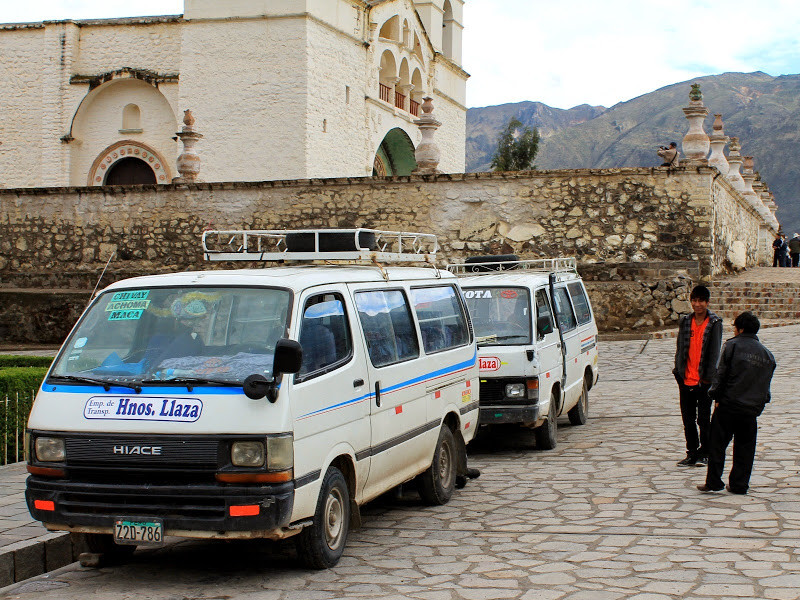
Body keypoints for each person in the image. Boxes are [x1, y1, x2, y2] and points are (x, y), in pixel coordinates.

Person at [697, 312, 776, 494]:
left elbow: (721, 374)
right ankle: (739, 485)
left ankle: (714, 482)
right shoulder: (768, 355)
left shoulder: (731, 346)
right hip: (750, 410)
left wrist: (715, 396)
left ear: (739, 329)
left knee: (717, 445)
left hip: (728, 406)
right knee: (745, 449)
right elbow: (766, 387)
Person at [673, 285, 723, 467]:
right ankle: (691, 452)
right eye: (694, 300)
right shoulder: (686, 322)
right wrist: (678, 371)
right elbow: (680, 348)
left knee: (703, 419)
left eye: (701, 300)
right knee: (688, 419)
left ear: (707, 302)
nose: (697, 304)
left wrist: (708, 379)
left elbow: (714, 353)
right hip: (685, 378)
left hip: (704, 380)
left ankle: (706, 452)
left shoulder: (714, 323)